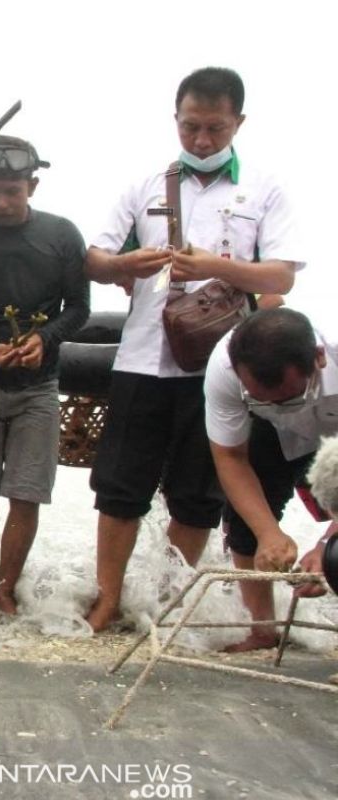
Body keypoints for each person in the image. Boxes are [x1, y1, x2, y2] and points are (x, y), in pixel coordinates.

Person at [83, 66, 302, 632]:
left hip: (224, 367)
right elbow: (95, 257)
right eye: (191, 127)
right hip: (141, 358)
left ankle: (163, 600)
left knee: (197, 495)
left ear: (239, 123)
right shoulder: (144, 183)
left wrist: (214, 267)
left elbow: (281, 274)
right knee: (119, 488)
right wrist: (123, 266)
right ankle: (109, 600)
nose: (202, 140)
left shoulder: (264, 186)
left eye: (215, 128)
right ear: (175, 119)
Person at [0, 135, 90, 615]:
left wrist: (44, 340)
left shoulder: (61, 236)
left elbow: (78, 309)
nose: (2, 202)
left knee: (25, 494)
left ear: (32, 185)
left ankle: (5, 588)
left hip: (40, 387)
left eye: (13, 191)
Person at [205, 309, 338, 648]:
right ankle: (262, 629)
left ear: (319, 358)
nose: (279, 404)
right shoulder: (224, 367)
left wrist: (326, 546)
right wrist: (268, 534)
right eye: (261, 396)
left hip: (332, 421)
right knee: (247, 520)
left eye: (286, 396)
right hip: (271, 431)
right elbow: (230, 457)